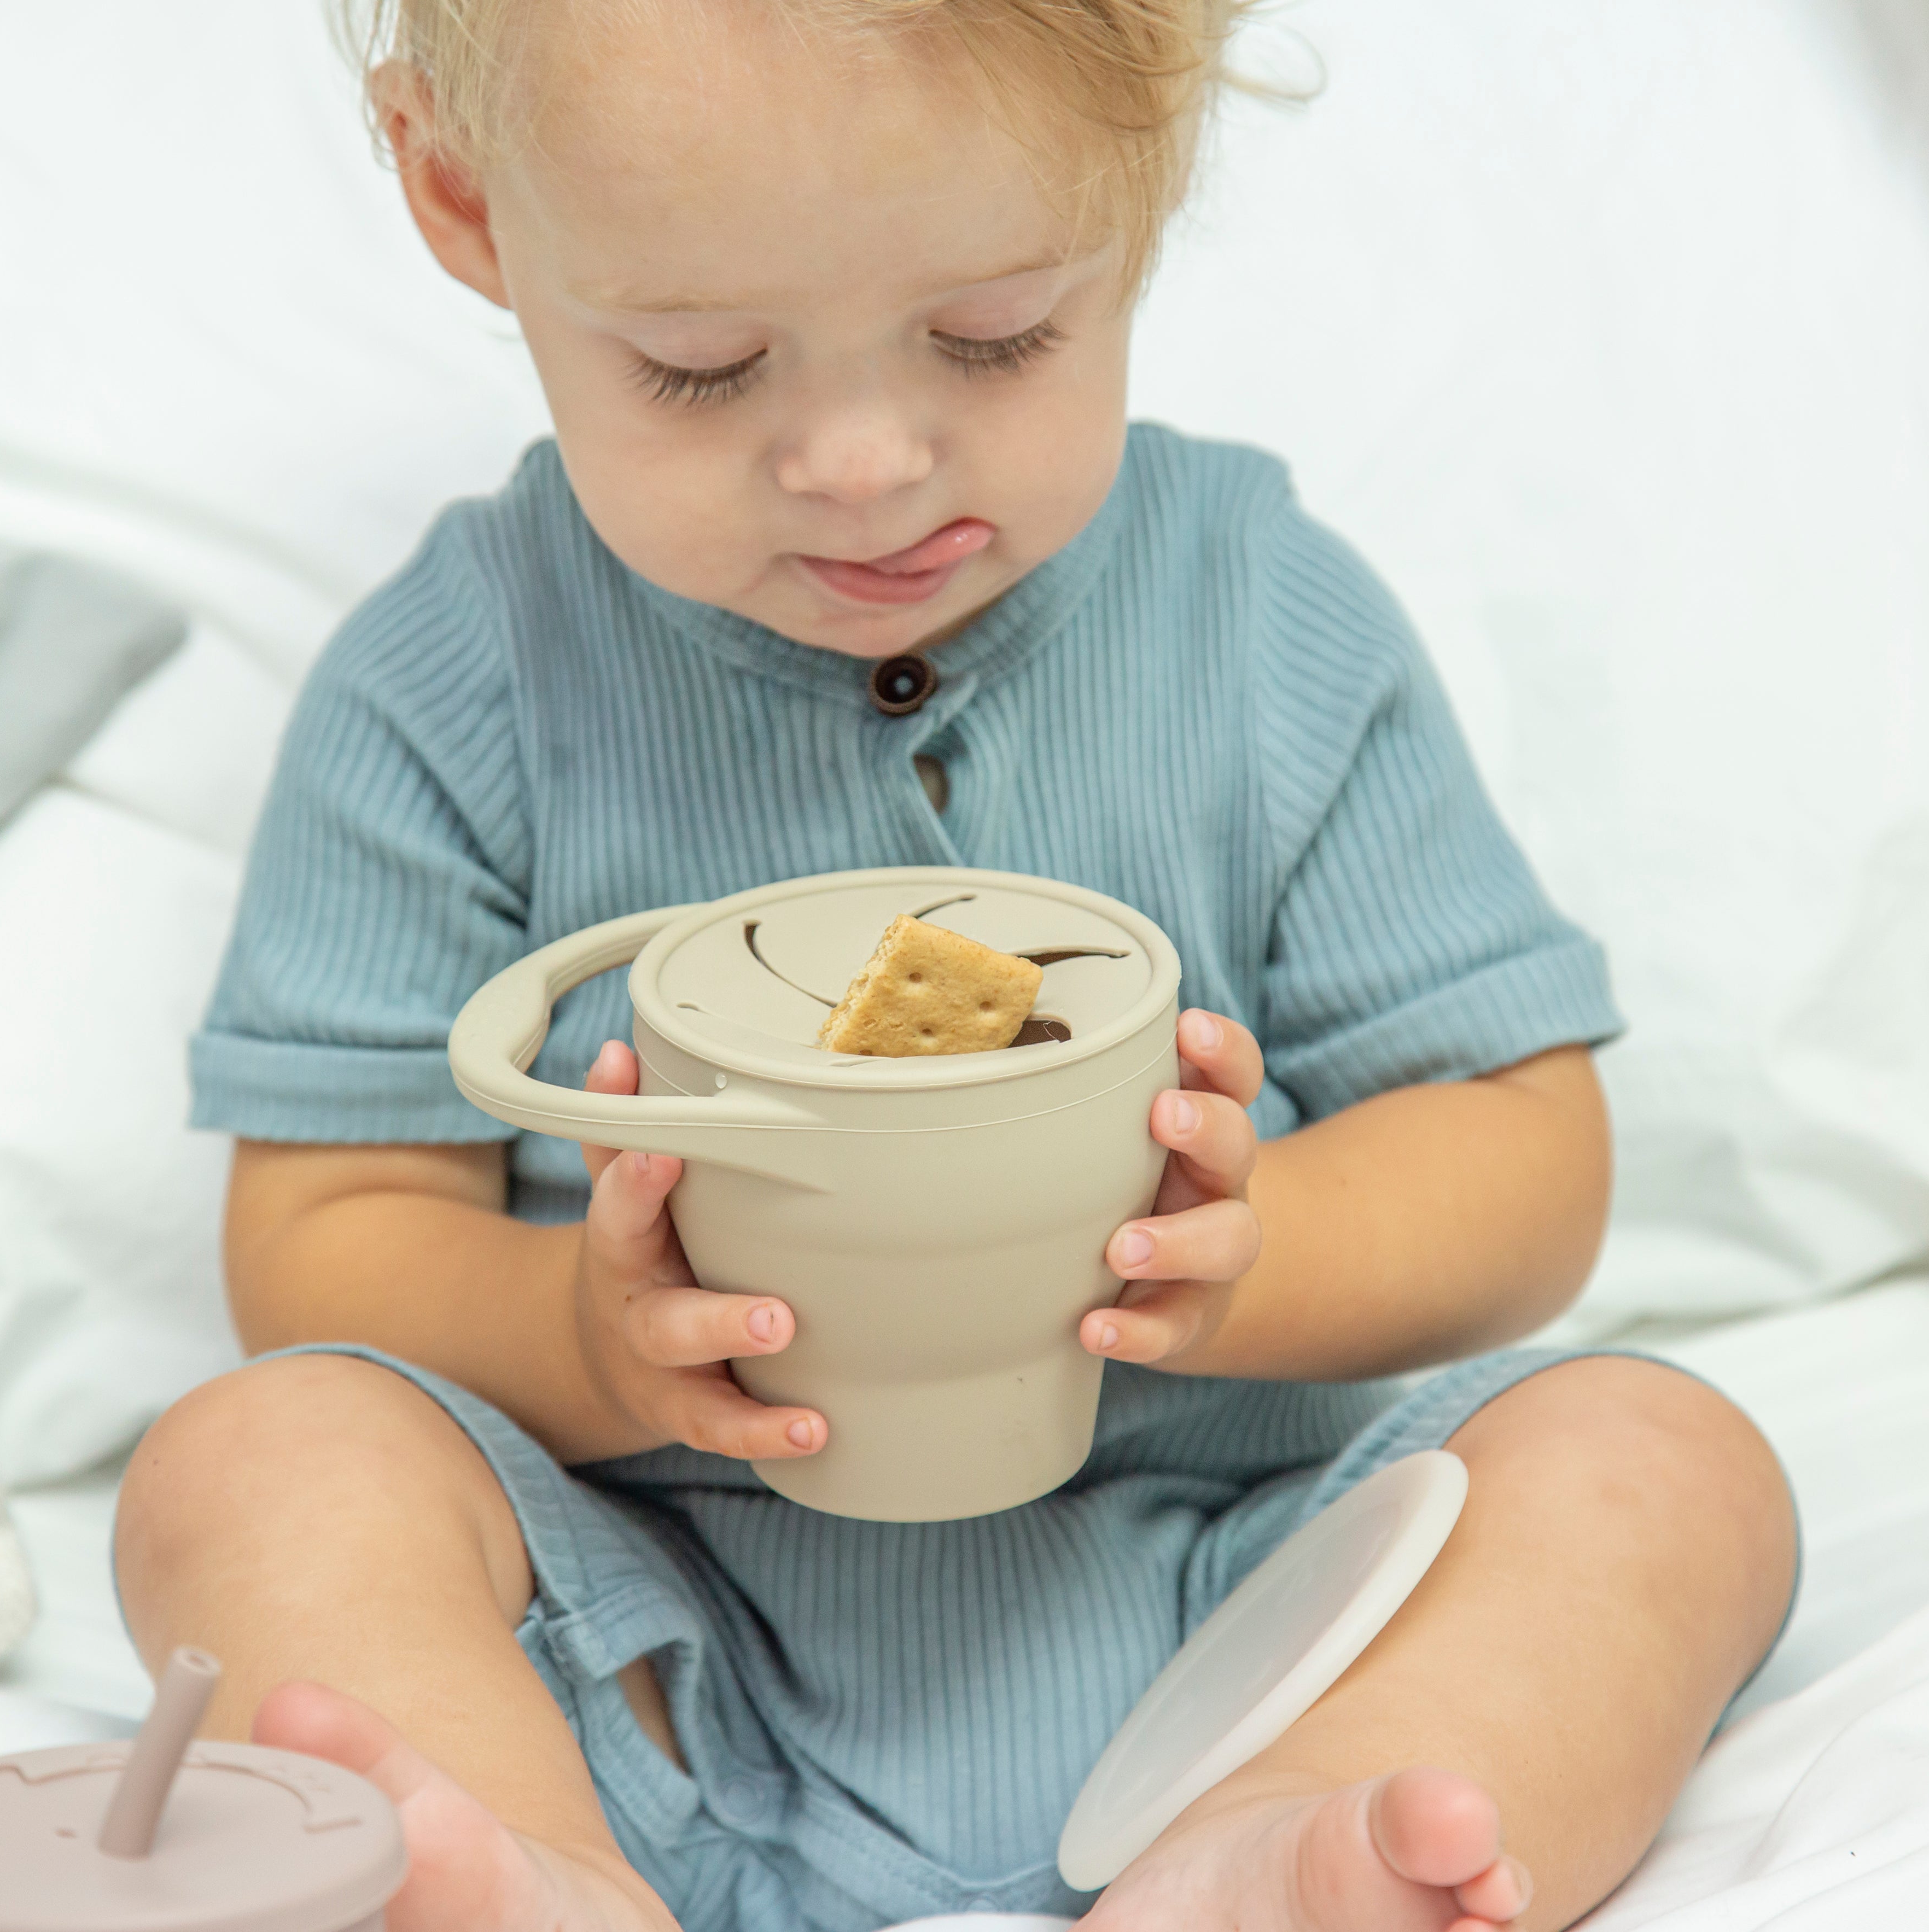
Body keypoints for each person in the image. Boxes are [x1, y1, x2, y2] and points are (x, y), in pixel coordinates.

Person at [114, 3, 1799, 1927]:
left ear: (1146, 188)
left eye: (993, 335)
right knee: (246, 1464)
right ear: (464, 199)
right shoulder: (458, 674)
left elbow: (1523, 1152)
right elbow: (321, 1245)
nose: (859, 465)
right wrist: (595, 1344)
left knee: (1663, 1460)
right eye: (698, 365)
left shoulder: (1257, 611)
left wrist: (1238, 1255)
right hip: (649, 1657)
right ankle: (529, 1872)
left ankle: (1280, 1856)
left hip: (1253, 1611)